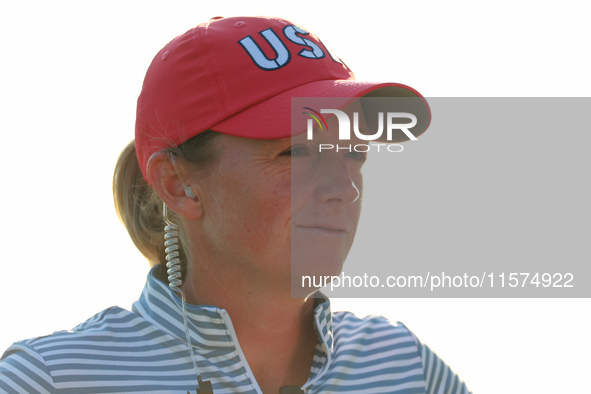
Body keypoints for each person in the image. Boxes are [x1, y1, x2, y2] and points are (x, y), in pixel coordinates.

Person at [0, 16, 471, 394]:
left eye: (354, 153)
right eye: (296, 152)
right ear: (178, 184)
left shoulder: (406, 367)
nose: (345, 189)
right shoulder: (48, 381)